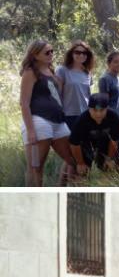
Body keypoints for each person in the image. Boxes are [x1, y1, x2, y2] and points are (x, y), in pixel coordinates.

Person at [19, 40, 74, 187]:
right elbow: (24, 103)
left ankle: (61, 193)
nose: (51, 54)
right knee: (36, 167)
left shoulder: (52, 71)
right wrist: (30, 130)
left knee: (74, 160)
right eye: (47, 52)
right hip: (38, 121)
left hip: (58, 122)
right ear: (35, 55)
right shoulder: (30, 72)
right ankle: (34, 202)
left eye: (52, 51)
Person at [70, 93, 119, 176]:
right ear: (89, 108)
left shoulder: (113, 117)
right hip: (85, 146)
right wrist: (80, 163)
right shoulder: (81, 120)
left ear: (107, 108)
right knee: (80, 172)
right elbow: (74, 144)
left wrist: (109, 159)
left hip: (105, 145)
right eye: (95, 110)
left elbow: (114, 140)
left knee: (111, 168)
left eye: (101, 110)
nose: (98, 114)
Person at [56, 40, 94, 130]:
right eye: (77, 52)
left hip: (86, 114)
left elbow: (88, 95)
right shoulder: (62, 70)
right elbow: (57, 94)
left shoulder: (87, 73)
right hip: (68, 115)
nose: (81, 55)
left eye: (85, 53)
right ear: (71, 54)